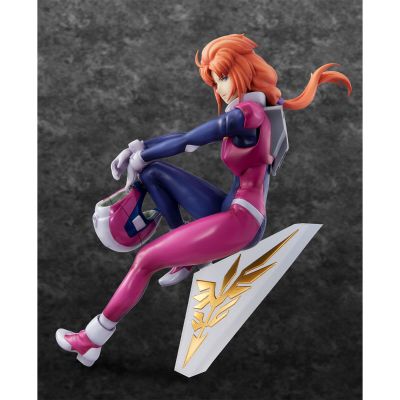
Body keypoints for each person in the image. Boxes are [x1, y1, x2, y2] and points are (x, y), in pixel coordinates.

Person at [56, 34, 352, 367]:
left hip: (242, 221)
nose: (220, 88)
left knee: (145, 259)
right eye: (214, 81)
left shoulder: (248, 115)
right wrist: (141, 148)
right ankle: (185, 256)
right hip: (230, 206)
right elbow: (185, 136)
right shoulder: (253, 109)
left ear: (243, 71)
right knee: (153, 173)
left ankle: (91, 340)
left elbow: (190, 140)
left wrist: (143, 154)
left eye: (223, 77)